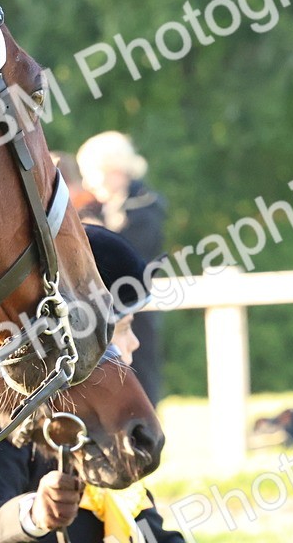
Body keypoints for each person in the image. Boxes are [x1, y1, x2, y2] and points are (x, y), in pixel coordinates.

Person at [0, 226, 184, 543]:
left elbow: (147, 528)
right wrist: (36, 513)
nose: (134, 342)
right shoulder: (7, 425)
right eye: (124, 328)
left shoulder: (114, 418)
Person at [75, 132, 167, 404]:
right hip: (99, 311)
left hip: (134, 309)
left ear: (115, 171)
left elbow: (130, 251)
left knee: (141, 379)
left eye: (94, 173)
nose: (88, 182)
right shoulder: (97, 205)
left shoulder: (146, 207)